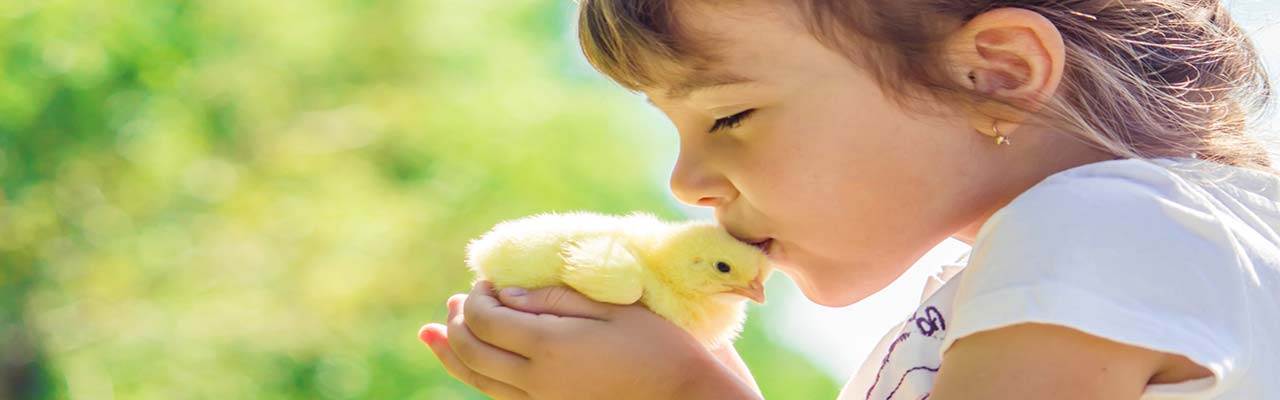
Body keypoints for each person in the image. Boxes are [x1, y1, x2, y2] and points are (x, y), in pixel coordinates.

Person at [419, 0, 1280, 398]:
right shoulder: (1117, 249)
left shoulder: (1095, 229)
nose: (685, 183)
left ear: (997, 74)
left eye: (730, 114)